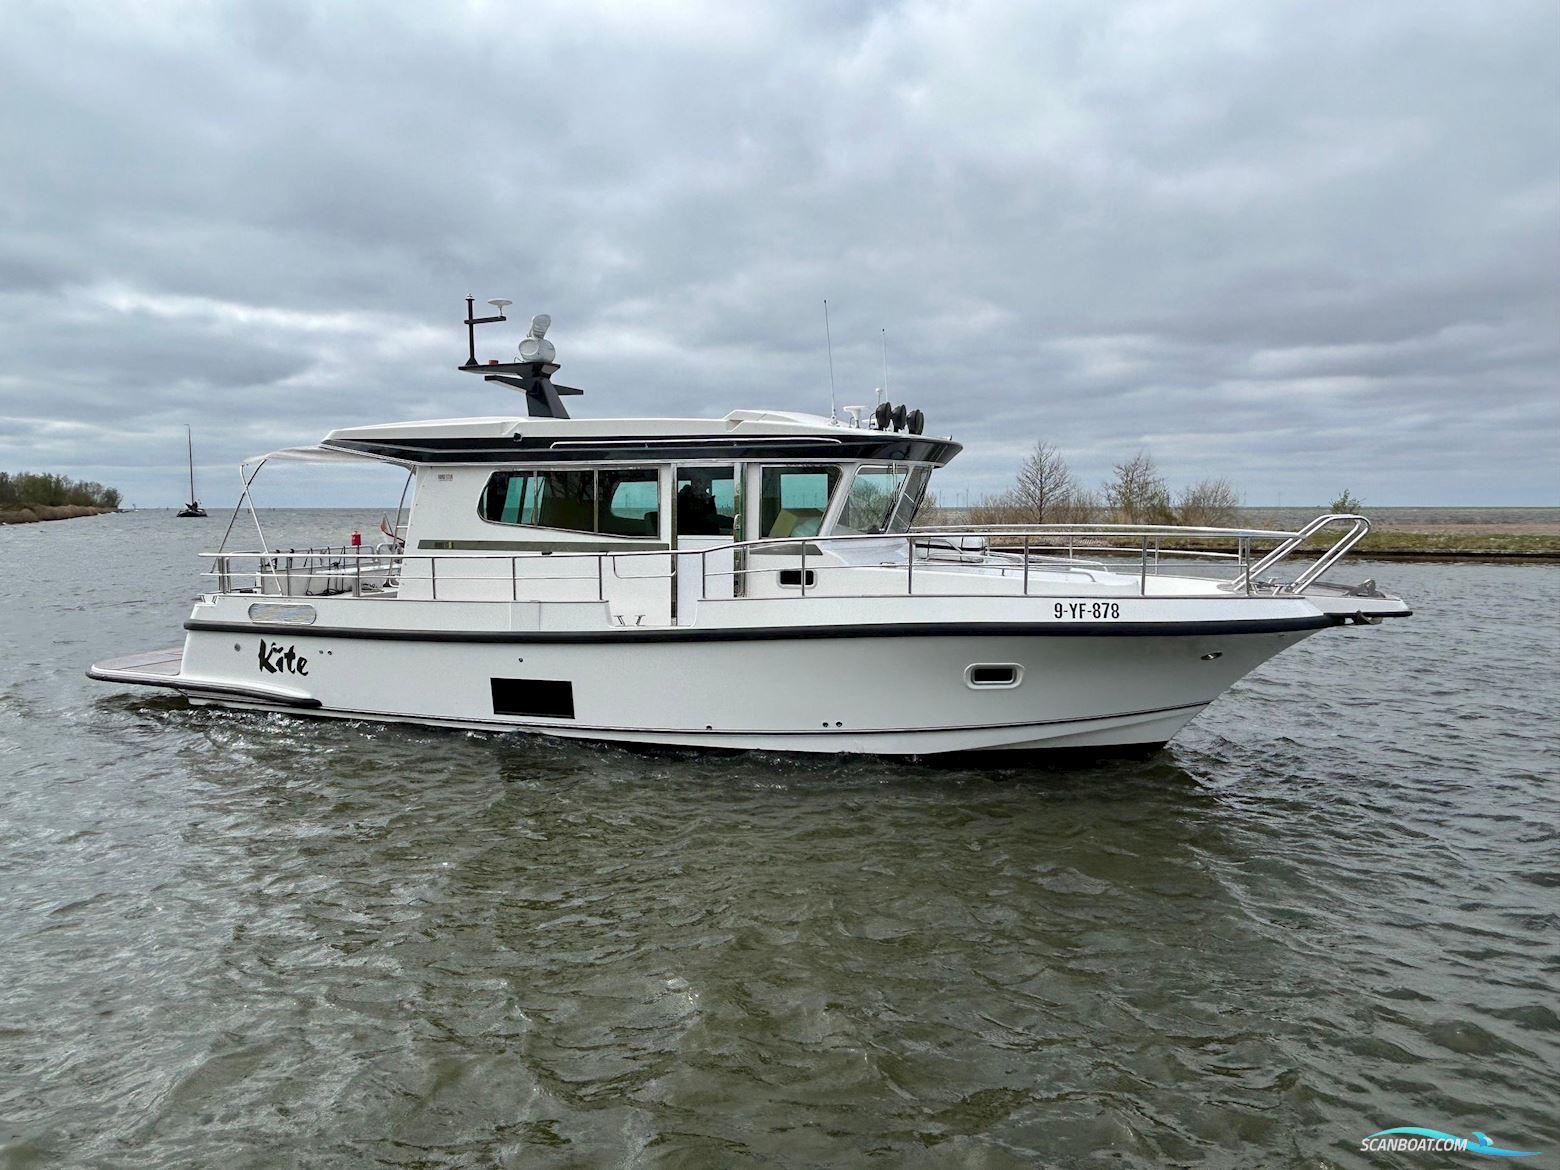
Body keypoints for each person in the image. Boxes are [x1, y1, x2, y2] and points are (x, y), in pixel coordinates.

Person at [677, 470, 727, 535]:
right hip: (689, 536)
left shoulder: (707, 500)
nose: (696, 485)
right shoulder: (684, 499)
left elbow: (713, 519)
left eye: (699, 482)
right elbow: (707, 518)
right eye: (694, 482)